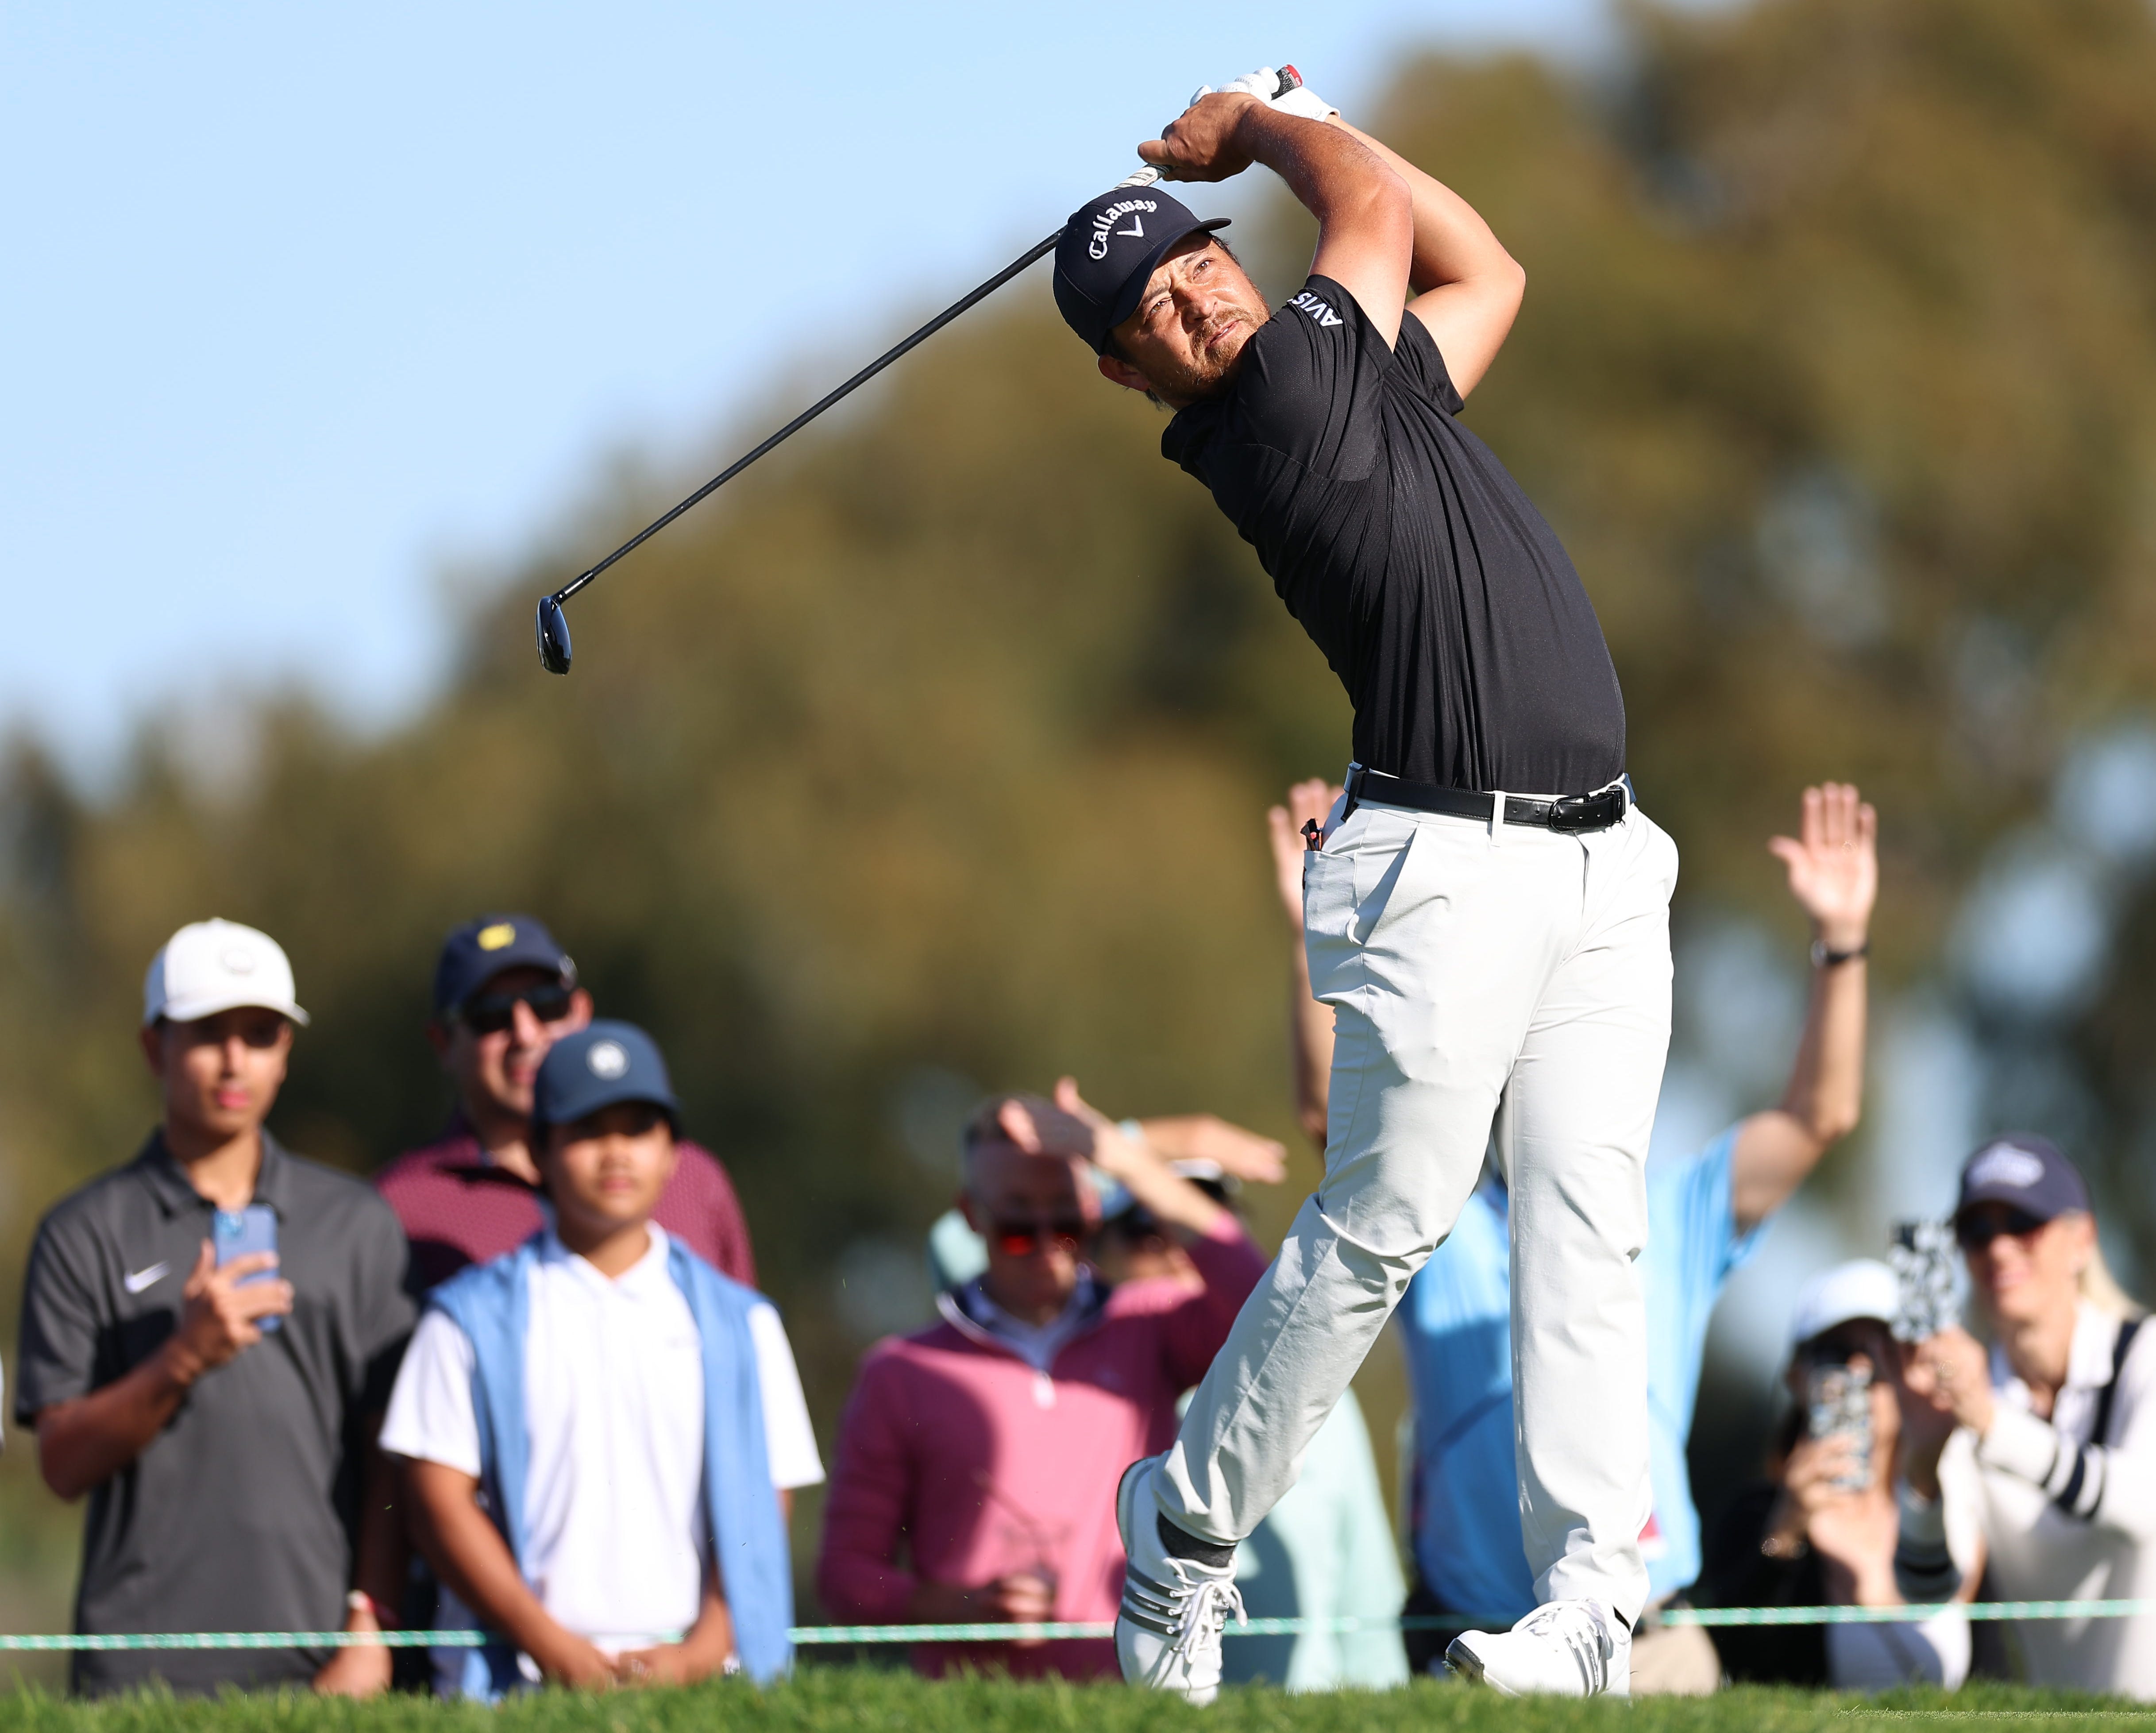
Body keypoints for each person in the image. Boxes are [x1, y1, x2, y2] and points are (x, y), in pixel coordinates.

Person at [1052, 68, 1678, 1698]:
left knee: (1583, 1226)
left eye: (1195, 255)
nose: (1190, 290)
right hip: (1441, 862)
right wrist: (1256, 131)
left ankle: (1588, 1599)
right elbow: (1380, 218)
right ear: (1131, 369)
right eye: (1150, 303)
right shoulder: (1268, 414)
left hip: (1601, 855)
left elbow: (1483, 272)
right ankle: (1183, 1535)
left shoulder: (1364, 383)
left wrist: (1321, 119)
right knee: (1381, 1224)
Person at [1319, 781, 1874, 1691]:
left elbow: (1821, 1112)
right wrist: (1333, 935)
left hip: (1650, 1646)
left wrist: (1840, 941)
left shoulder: (1675, 1205)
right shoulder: (1442, 1216)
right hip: (1465, 1641)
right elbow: (1330, 1118)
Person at [14, 919, 414, 1698]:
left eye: (260, 1034)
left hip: (324, 1668)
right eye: (207, 1033)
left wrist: (370, 1628)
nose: (235, 1060)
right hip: (139, 1678)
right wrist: (182, 1358)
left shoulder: (357, 1224)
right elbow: (61, 1466)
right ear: (153, 1048)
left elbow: (390, 1457)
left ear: (286, 1054)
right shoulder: (83, 1231)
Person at [381, 1021, 821, 1697]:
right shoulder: (468, 1318)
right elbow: (437, 1500)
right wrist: (553, 1647)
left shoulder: (745, 1323)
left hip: (702, 1683)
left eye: (639, 1127)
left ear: (674, 1152)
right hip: (515, 1686)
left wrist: (703, 1647)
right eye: (587, 1129)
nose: (616, 1153)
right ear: (539, 1152)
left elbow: (766, 1498)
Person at [818, 1082, 1266, 1681]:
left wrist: (1128, 1159)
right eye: (1016, 1222)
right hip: (968, 1705)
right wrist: (960, 1607)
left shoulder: (1149, 1325)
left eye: (1063, 1217)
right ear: (972, 1215)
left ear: (1089, 1211)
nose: (1045, 1243)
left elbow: (1264, 1306)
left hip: (1132, 1693)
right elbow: (846, 1575)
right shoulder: (899, 1371)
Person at [1898, 1136, 2156, 1698]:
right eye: (1977, 1232)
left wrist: (1990, 1423)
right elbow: (1932, 1595)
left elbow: (2142, 1507)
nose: (1998, 1250)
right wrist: (1920, 1466)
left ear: (2081, 1240)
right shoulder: (1969, 1395)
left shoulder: (2145, 1355)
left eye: (2023, 1223)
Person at [376, 914, 755, 1293]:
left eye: (546, 1006)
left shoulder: (691, 1177)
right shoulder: (400, 1207)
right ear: (443, 1042)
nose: (525, 1035)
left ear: (581, 1012)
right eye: (490, 1017)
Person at [1696, 1261, 1980, 1690]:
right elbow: (1731, 1655)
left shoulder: (1954, 1500)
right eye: (1836, 1355)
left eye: (1883, 1356)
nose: (1860, 1374)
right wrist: (1784, 1532)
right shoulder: (1755, 1515)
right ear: (1797, 1377)